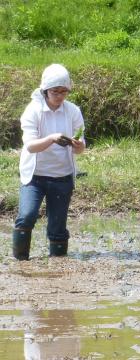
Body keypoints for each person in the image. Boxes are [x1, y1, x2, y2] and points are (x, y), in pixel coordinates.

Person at [12, 64, 86, 260]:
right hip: (35, 175)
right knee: (27, 216)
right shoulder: (33, 110)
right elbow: (30, 146)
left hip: (62, 176)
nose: (60, 96)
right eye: (55, 91)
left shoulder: (73, 111)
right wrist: (52, 138)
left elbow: (81, 148)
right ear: (45, 90)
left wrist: (77, 145)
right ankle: (21, 262)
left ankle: (58, 268)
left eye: (64, 91)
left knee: (57, 227)